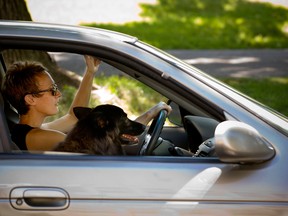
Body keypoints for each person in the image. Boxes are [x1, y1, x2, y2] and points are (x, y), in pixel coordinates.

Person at [2, 55, 172, 151]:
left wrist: (90, 72)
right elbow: (105, 140)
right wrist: (147, 116)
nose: (59, 94)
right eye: (52, 90)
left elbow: (73, 117)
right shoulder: (43, 137)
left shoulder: (34, 131)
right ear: (30, 99)